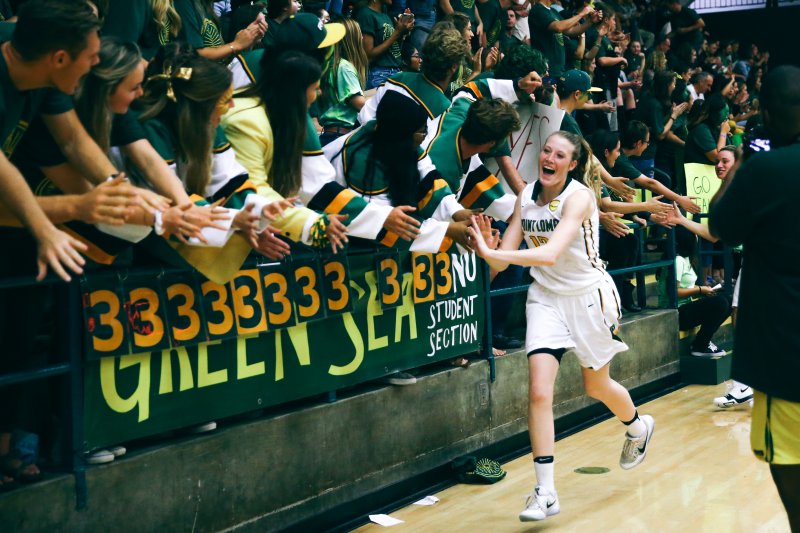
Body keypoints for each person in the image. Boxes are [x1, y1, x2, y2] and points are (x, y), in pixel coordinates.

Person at [468, 130, 655, 522]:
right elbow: (502, 263)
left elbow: (550, 253)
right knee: (538, 392)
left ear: (572, 164)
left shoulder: (579, 197)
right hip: (546, 299)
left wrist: (496, 253)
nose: (549, 158)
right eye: (546, 151)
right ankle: (545, 491)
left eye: (560, 155)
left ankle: (637, 426)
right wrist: (486, 249)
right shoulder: (525, 196)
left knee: (596, 385)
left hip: (589, 297)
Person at [710, 65, 800, 531]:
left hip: (786, 351)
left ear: (765, 112)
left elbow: (719, 226)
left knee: (788, 458)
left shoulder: (764, 170)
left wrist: (742, 164)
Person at [318, 17, 368, 146]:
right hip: (338, 136)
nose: (362, 38)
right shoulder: (344, 67)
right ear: (351, 39)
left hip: (331, 135)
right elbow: (359, 104)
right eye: (359, 34)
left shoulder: (333, 65)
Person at [356, 0, 414, 89]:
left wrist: (403, 32)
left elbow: (393, 49)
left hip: (396, 72)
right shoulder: (366, 14)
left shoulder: (385, 15)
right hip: (380, 74)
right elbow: (368, 55)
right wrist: (397, 32)